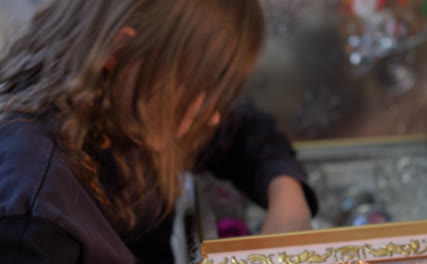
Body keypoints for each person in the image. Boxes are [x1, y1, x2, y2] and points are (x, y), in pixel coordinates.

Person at [0, 0, 318, 263]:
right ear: (118, 49)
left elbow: (242, 130)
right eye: (199, 85)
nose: (212, 115)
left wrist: (285, 192)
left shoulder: (123, 109)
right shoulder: (34, 207)